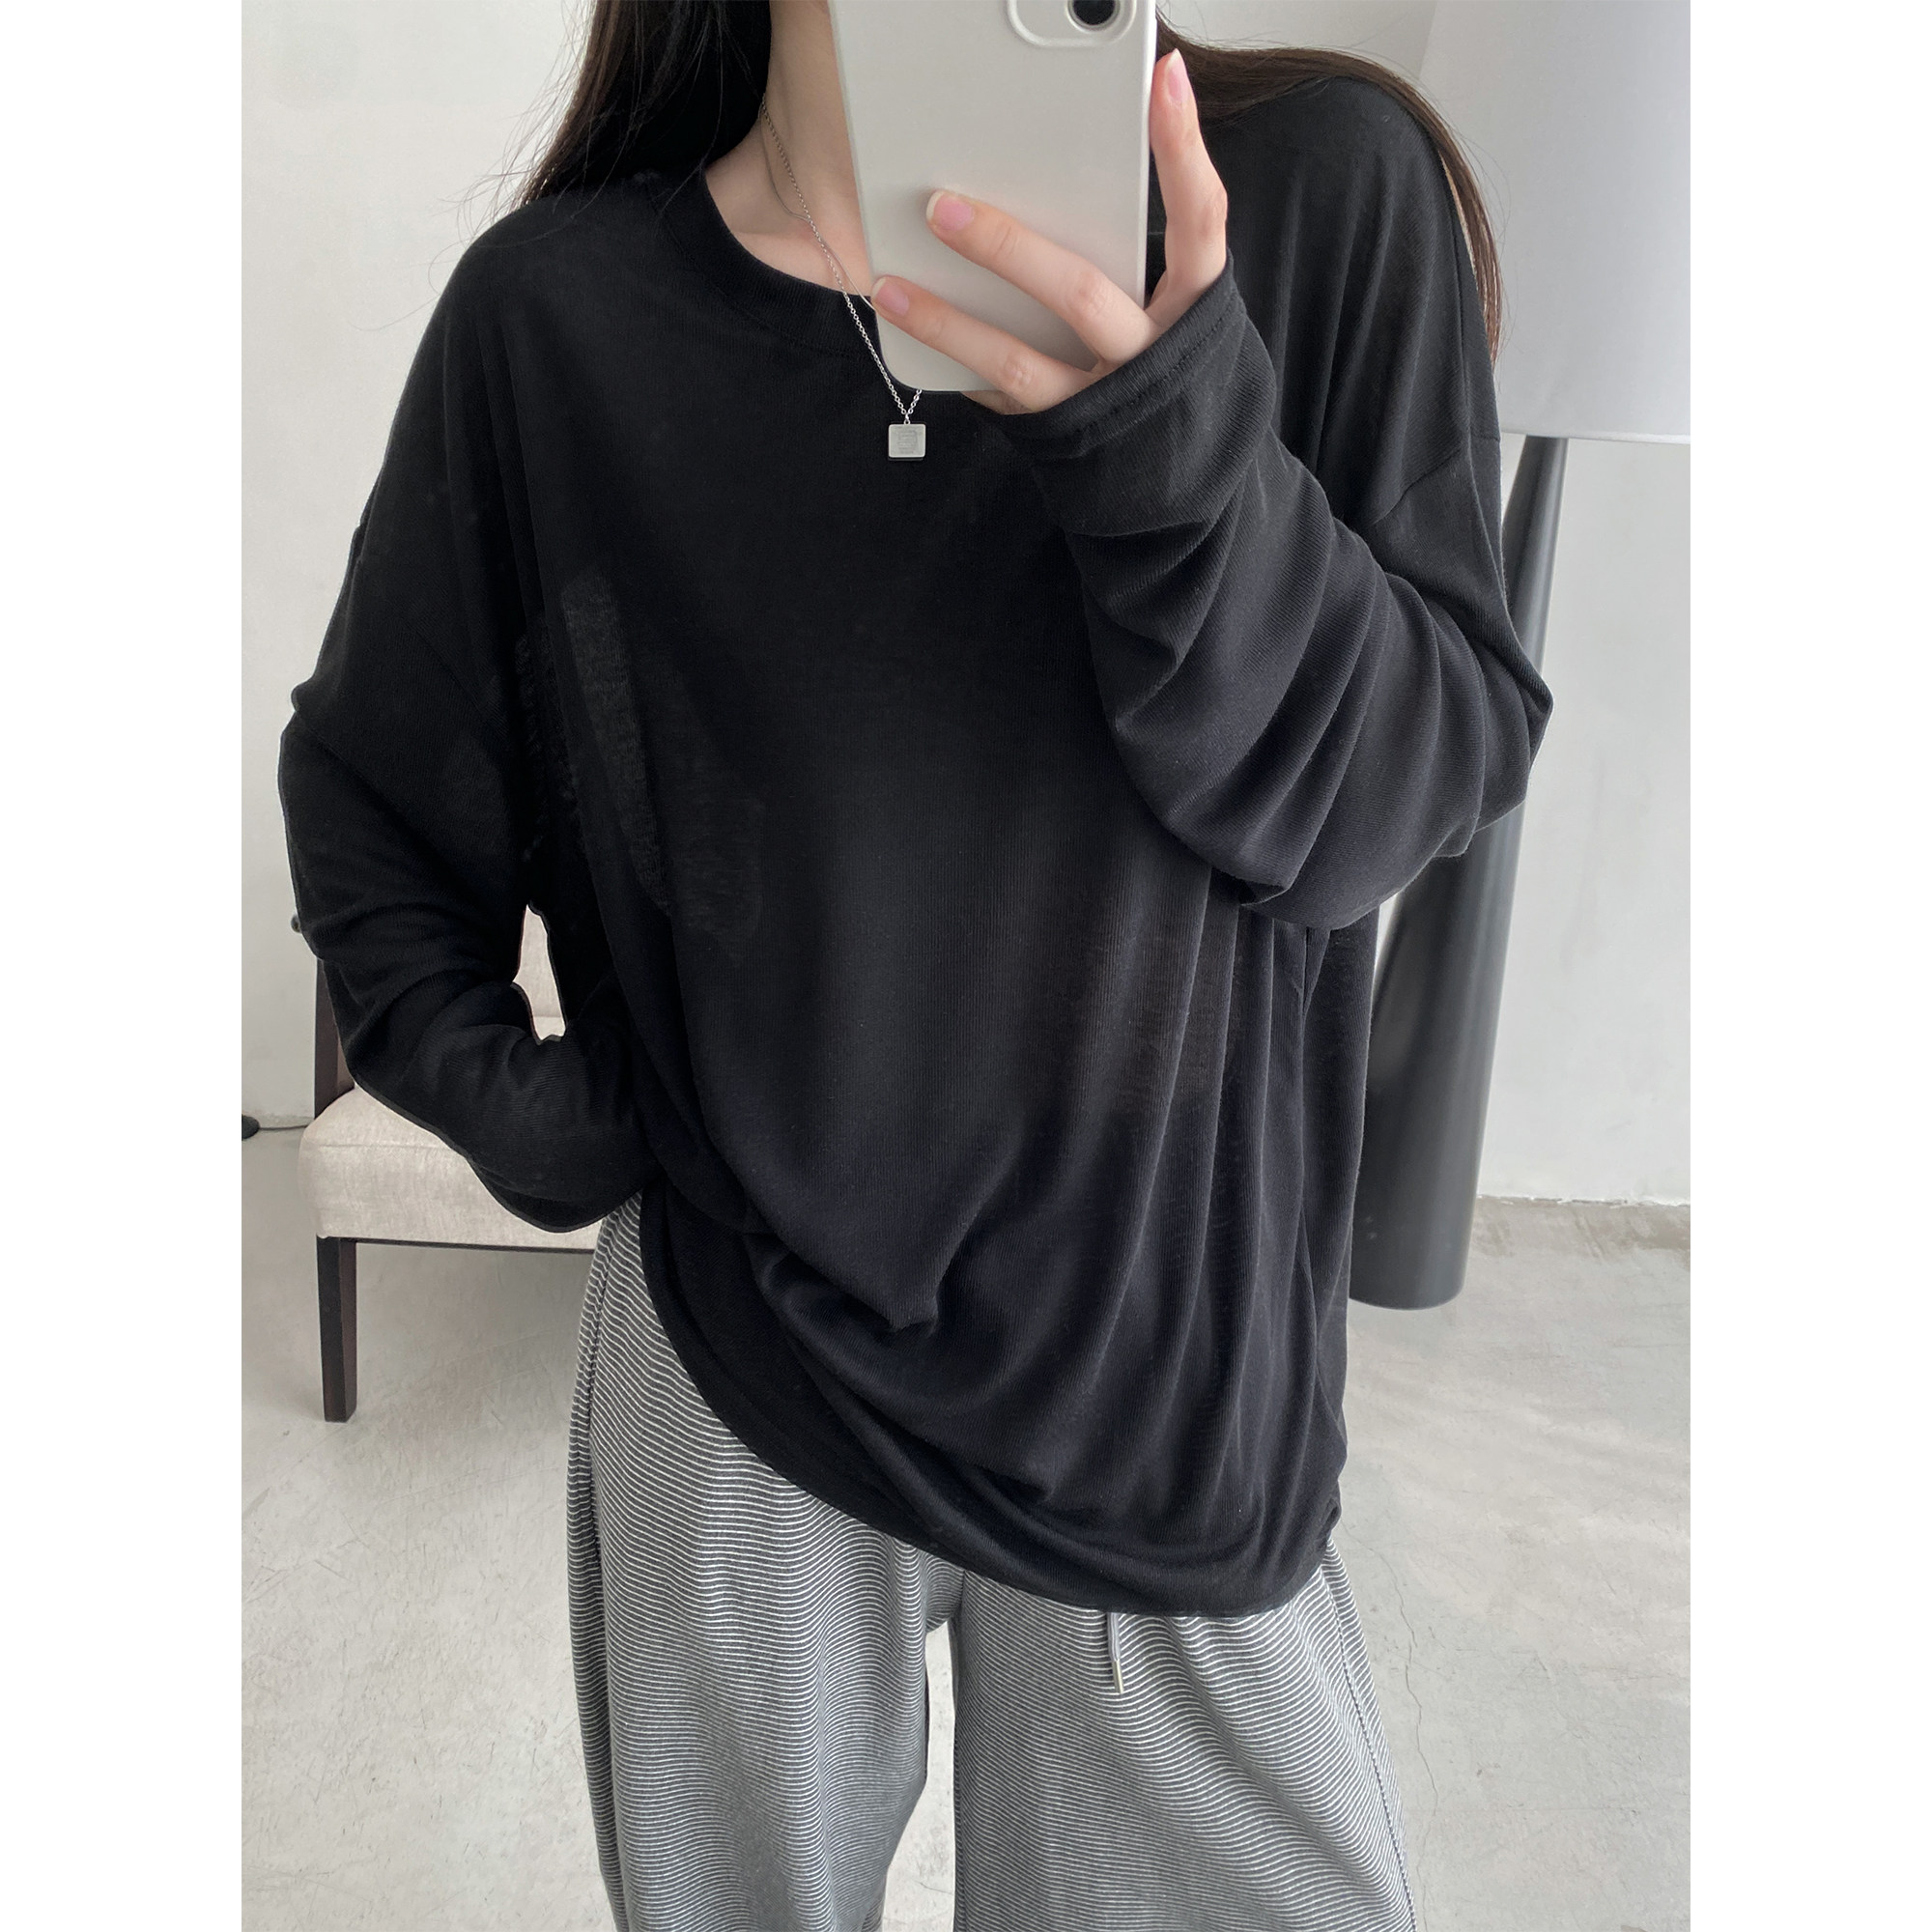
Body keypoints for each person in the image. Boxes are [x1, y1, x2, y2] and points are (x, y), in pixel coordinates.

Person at [278, 1, 1552, 1926]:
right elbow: (376, 796)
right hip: (740, 1387)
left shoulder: (1312, 199)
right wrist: (556, 1119)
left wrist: (1174, 448)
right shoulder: (557, 320)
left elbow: (1393, 805)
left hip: (1166, 1405)